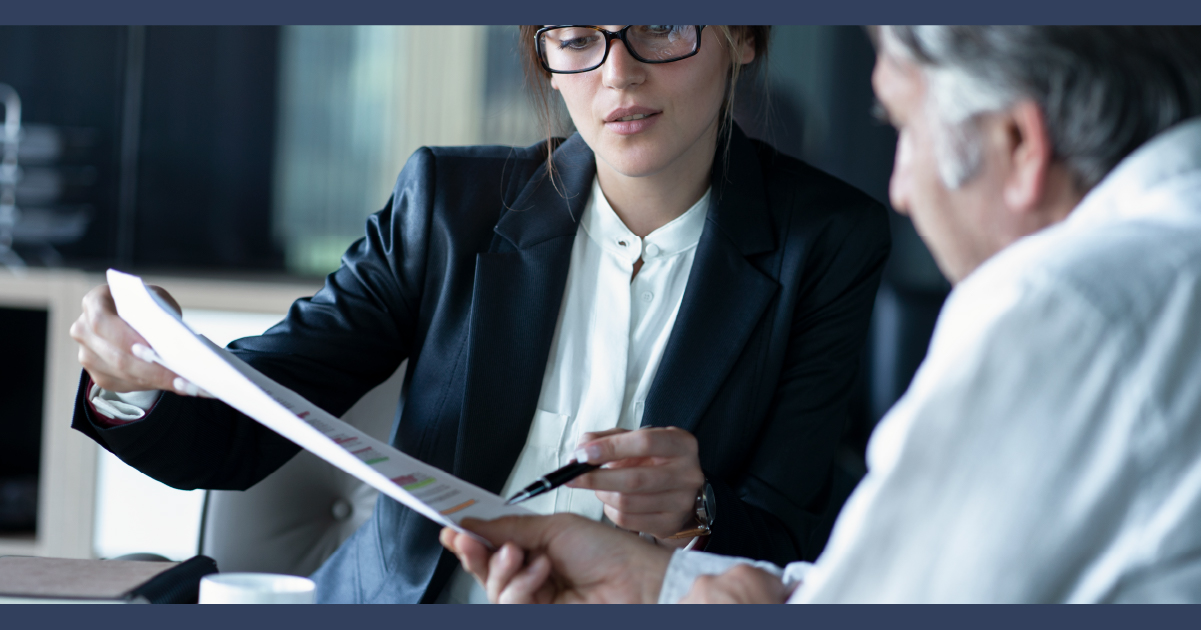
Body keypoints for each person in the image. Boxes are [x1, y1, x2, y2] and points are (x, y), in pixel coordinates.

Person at [68, 25, 891, 603]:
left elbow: (790, 536)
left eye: (661, 26)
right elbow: (245, 426)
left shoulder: (825, 240)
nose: (618, 75)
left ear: (743, 37)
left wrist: (696, 512)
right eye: (576, 36)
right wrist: (126, 376)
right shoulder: (447, 206)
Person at [441, 25, 1201, 604]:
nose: (900, 187)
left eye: (903, 129)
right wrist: (658, 583)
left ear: (1016, 142)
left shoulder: (1057, 306)